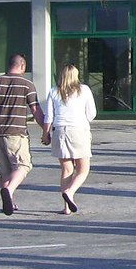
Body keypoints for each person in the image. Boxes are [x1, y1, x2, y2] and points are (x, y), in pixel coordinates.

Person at [0, 53, 43, 216]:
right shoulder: (27, 84)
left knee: (5, 170)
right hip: (16, 133)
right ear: (22, 66)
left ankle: (8, 202)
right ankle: (9, 190)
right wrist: (46, 130)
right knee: (23, 166)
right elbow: (35, 110)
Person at [41, 63, 97, 214]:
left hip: (60, 131)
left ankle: (66, 207)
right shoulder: (84, 90)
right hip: (79, 130)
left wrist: (45, 134)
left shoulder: (54, 91)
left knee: (67, 169)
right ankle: (70, 193)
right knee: (83, 169)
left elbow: (49, 116)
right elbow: (92, 114)